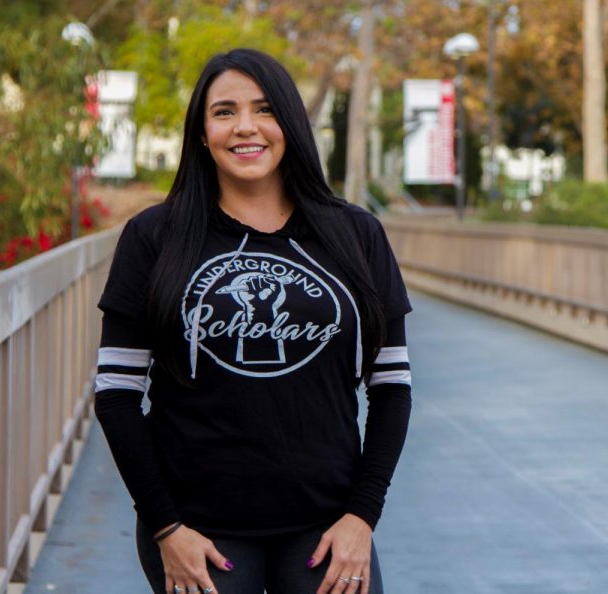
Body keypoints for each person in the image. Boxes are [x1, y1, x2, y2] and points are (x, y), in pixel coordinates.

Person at [93, 48, 412, 594]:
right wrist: (167, 526)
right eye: (224, 112)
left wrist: (362, 517)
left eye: (264, 109)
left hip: (326, 523)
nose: (246, 127)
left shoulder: (355, 234)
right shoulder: (154, 237)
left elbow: (392, 386)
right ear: (201, 132)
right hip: (199, 527)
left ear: (290, 123)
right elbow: (117, 393)